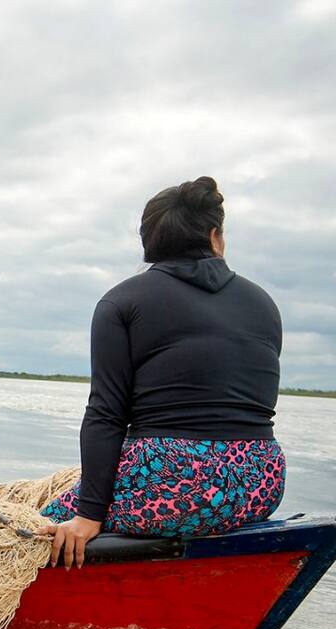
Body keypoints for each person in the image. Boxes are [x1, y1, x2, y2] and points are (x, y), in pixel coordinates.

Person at [40, 176, 285, 568]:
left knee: (36, 527)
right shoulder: (264, 303)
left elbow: (106, 414)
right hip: (260, 481)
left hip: (171, 483)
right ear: (215, 236)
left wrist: (88, 515)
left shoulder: (121, 302)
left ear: (149, 243)